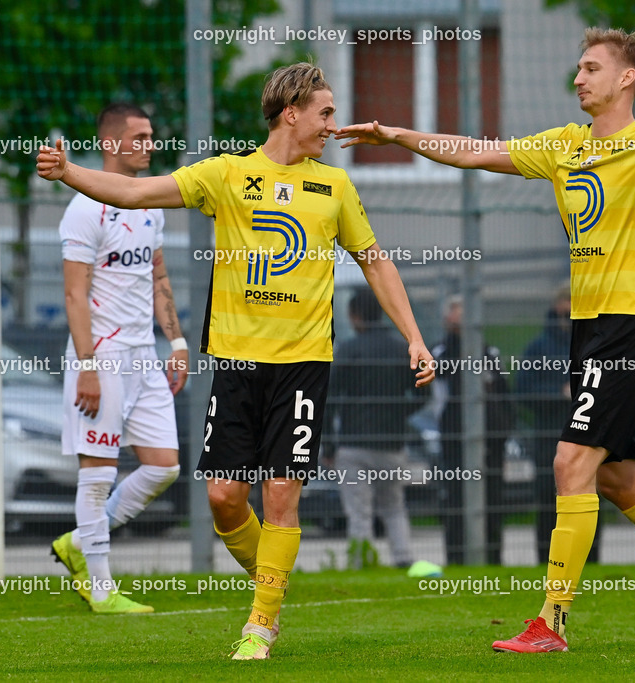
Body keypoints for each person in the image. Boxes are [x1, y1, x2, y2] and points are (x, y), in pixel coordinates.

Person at [337, 27, 635, 651]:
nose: (578, 78)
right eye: (578, 68)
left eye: (591, 68)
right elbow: (475, 152)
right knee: (619, 481)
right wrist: (396, 135)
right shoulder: (562, 146)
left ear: (626, 79)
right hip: (589, 333)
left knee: (569, 462)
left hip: (634, 328)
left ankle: (551, 622)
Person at [38, 63, 435, 660]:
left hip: (304, 363)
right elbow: (136, 190)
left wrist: (415, 336)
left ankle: (261, 623)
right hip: (237, 363)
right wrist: (68, 172)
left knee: (281, 493)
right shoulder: (227, 175)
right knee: (225, 496)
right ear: (292, 113)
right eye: (325, 112)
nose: (333, 124)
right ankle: (270, 578)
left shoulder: (335, 187)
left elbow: (375, 262)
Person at [51, 103, 186, 615]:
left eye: (152, 135)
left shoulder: (150, 204)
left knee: (164, 467)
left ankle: (81, 543)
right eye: (141, 136)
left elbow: (158, 277)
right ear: (112, 144)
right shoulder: (85, 207)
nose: (150, 144)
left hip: (144, 357)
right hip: (101, 357)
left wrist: (174, 343)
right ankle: (101, 589)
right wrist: (86, 364)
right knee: (99, 471)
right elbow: (73, 294)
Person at [329, 287, 421, 568]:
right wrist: (398, 412)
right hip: (391, 444)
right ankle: (404, 559)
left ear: (354, 315)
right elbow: (423, 392)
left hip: (353, 444)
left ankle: (361, 562)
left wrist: (328, 445)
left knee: (359, 512)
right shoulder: (400, 348)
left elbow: (329, 397)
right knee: (393, 507)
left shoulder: (348, 350)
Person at [517, 285, 600, 565]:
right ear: (556, 306)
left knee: (588, 499)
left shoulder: (593, 343)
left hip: (586, 433)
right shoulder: (538, 348)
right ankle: (547, 560)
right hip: (548, 435)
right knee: (548, 501)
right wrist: (559, 394)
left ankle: (590, 562)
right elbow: (523, 392)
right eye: (566, 302)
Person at [432, 295, 513, 565]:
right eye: (457, 314)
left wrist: (503, 429)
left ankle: (493, 558)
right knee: (455, 499)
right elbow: (438, 390)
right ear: (447, 319)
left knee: (492, 499)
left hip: (491, 441)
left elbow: (503, 393)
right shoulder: (441, 353)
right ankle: (456, 559)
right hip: (455, 440)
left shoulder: (489, 352)